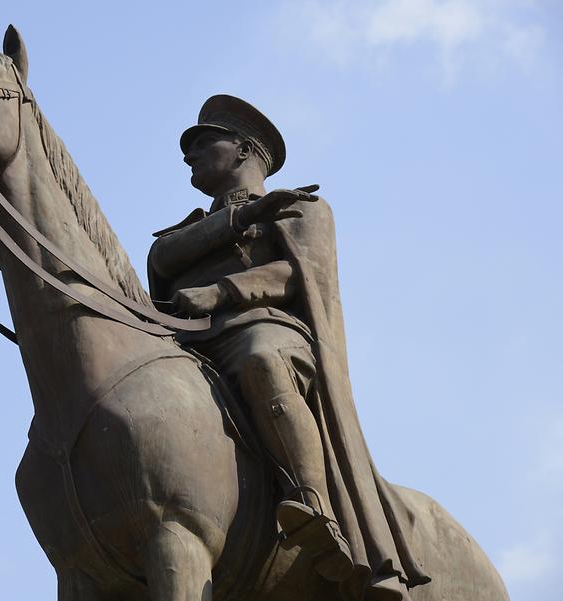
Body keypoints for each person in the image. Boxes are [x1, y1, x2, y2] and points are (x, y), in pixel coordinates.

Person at [147, 95, 430, 599]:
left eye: (203, 143)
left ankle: (312, 503)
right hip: (189, 341)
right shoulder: (187, 230)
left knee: (263, 359)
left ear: (243, 151)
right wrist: (241, 217)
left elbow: (300, 275)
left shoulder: (302, 207)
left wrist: (222, 290)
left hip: (264, 328)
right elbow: (162, 259)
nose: (188, 156)